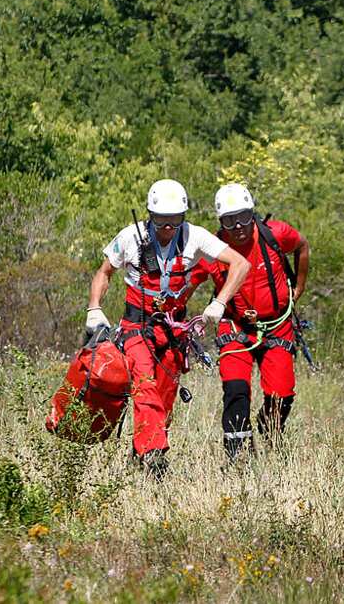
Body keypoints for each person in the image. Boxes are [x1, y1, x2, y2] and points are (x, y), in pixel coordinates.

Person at [86, 179, 250, 479]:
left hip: (174, 334)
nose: (168, 228)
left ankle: (141, 456)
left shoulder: (194, 237)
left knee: (164, 398)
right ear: (150, 215)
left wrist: (221, 302)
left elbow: (240, 264)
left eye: (174, 222)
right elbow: (104, 272)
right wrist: (94, 307)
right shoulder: (130, 238)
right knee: (145, 387)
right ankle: (157, 458)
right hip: (137, 327)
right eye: (162, 222)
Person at [191, 183, 310, 462]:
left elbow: (302, 246)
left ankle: (270, 430)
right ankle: (238, 457)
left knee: (281, 394)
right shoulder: (212, 248)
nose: (238, 226)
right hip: (234, 327)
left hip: (277, 326)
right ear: (221, 222)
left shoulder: (275, 234)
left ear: (253, 213)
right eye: (229, 221)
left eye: (244, 217)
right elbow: (188, 280)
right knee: (236, 390)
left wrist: (299, 286)